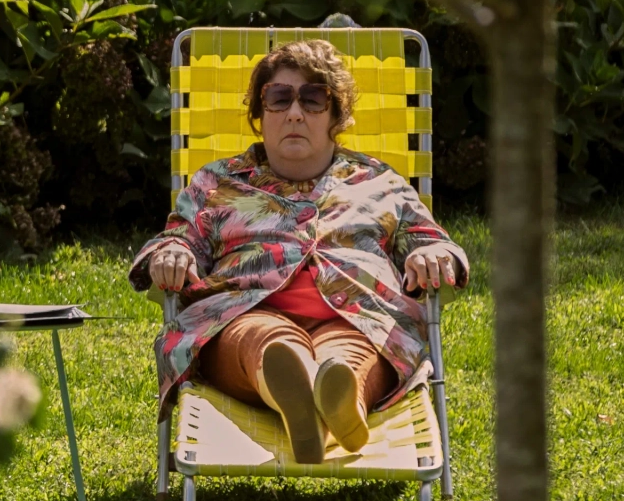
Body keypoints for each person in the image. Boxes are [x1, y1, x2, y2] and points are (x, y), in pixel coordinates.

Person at [129, 39, 468, 464]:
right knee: (262, 342)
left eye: (313, 100)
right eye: (279, 98)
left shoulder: (379, 181)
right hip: (245, 313)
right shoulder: (219, 183)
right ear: (259, 114)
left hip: (358, 318)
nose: (294, 112)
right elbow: (179, 237)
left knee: (352, 355)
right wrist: (172, 253)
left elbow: (428, 237)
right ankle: (308, 396)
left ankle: (332, 399)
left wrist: (431, 254)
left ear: (336, 116)